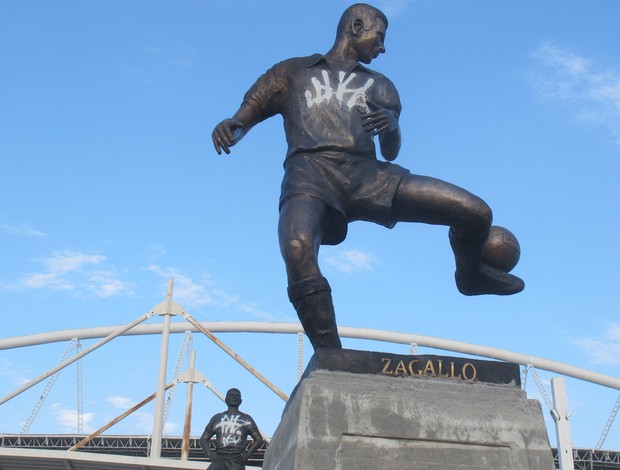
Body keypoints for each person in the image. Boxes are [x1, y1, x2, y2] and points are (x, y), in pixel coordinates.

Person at [211, 3, 524, 351]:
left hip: (368, 175)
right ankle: (331, 356)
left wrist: (392, 127)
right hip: (310, 174)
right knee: (297, 247)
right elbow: (245, 115)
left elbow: (390, 151)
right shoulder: (292, 72)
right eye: (380, 35)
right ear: (357, 26)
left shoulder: (381, 85)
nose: (383, 47)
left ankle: (468, 275)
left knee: (476, 212)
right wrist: (233, 127)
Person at [199, 388, 264, 470]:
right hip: (220, 457)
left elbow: (259, 439)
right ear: (226, 400)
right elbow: (203, 439)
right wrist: (210, 454)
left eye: (237, 396)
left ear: (240, 401)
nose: (234, 397)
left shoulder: (246, 419)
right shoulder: (217, 418)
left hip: (237, 458)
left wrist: (247, 454)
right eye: (231, 395)